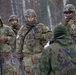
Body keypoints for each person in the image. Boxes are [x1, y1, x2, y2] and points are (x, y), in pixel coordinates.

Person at [16, 9, 52, 75]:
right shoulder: (22, 29)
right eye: (29, 17)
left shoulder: (41, 26)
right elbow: (19, 42)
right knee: (29, 72)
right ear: (26, 18)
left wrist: (42, 36)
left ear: (34, 17)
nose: (30, 19)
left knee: (42, 72)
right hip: (27, 56)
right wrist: (19, 54)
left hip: (39, 54)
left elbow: (51, 35)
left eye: (32, 17)